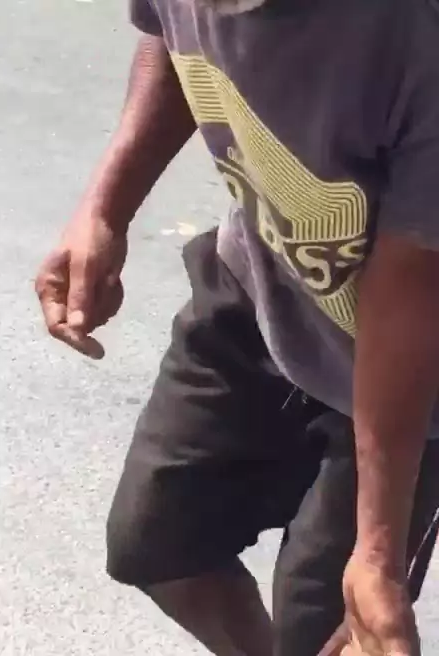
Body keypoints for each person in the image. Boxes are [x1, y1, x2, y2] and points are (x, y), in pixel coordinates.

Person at [35, 0, 439, 654]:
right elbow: (173, 36)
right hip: (262, 288)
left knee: (331, 628)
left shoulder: (411, 35)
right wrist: (105, 209)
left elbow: (411, 286)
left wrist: (377, 554)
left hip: (405, 377)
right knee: (157, 543)